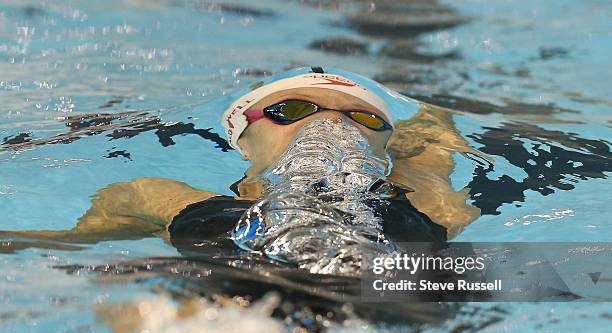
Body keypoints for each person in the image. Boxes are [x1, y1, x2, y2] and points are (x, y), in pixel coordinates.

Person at [1, 67, 484, 258]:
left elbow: (434, 135)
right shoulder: (156, 195)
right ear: (243, 139)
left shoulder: (416, 204)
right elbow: (63, 249)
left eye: (363, 118)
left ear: (386, 148)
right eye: (292, 110)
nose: (335, 126)